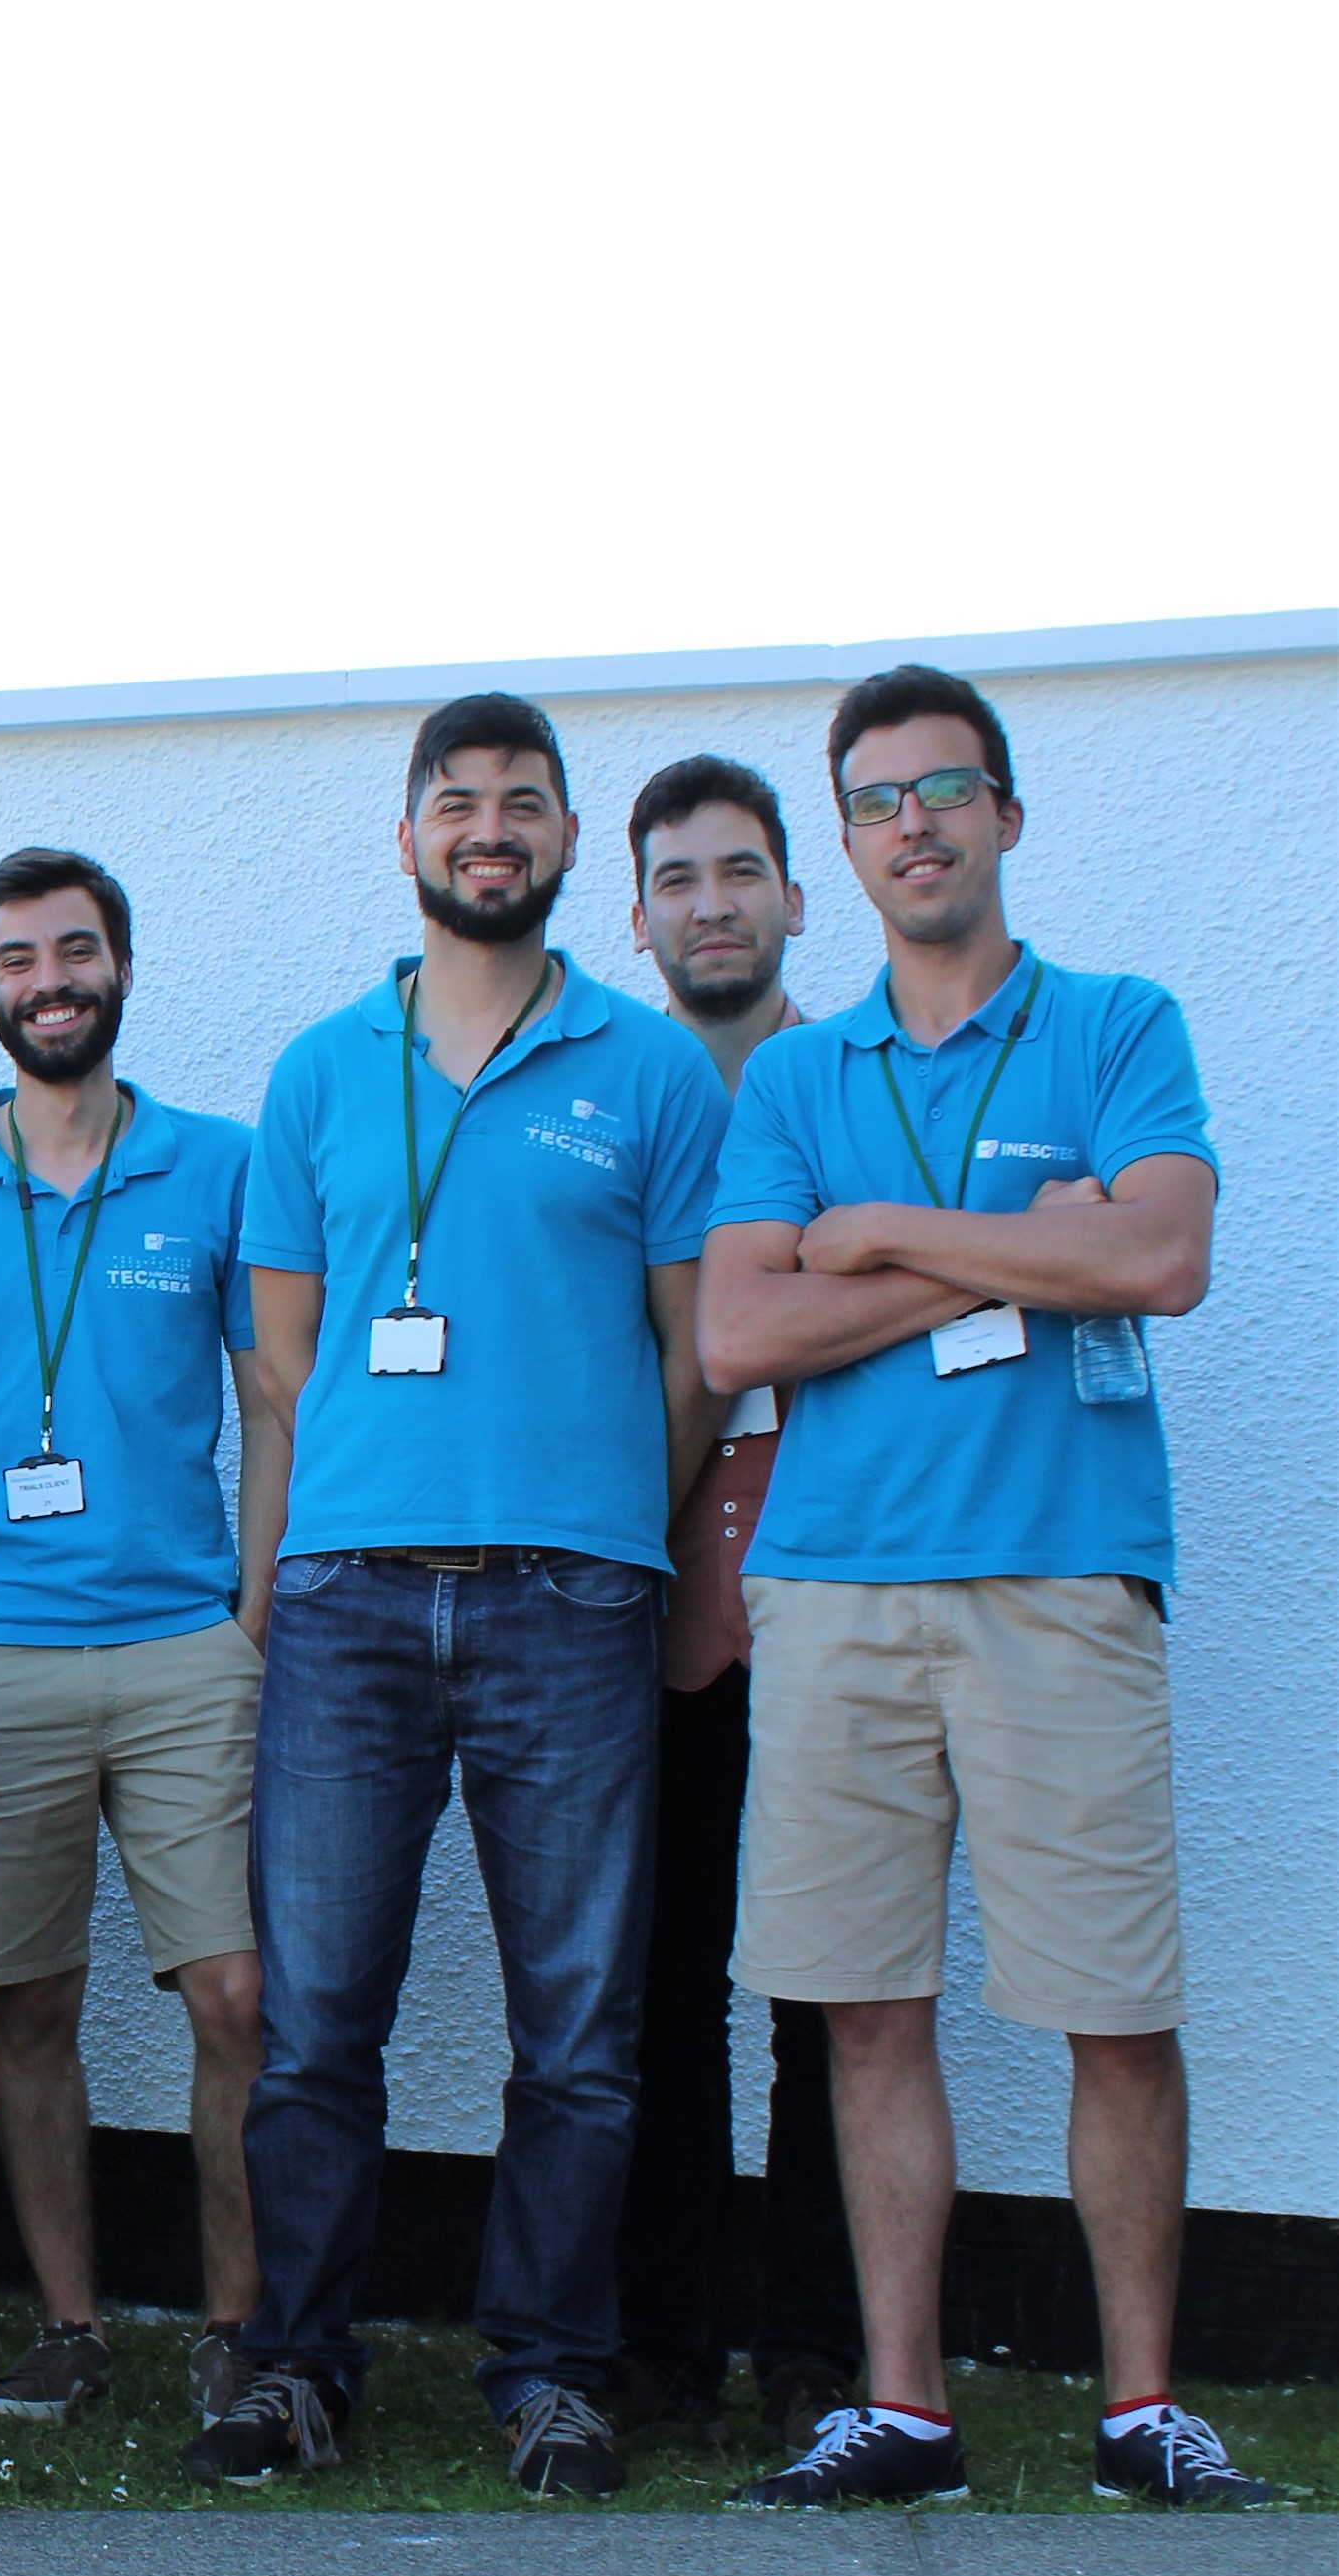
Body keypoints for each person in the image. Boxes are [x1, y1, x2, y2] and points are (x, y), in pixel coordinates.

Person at [706, 667, 1266, 2509]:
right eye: (877, 800)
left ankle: (1139, 2408)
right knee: (861, 2007)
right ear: (846, 845)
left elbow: (1162, 1257)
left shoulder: (1114, 1022)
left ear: (1004, 815)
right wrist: (1029, 1248)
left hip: (1059, 1579)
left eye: (944, 788)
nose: (914, 823)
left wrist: (871, 1233)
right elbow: (736, 1332)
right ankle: (905, 2410)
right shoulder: (795, 1074)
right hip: (833, 1594)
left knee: (1114, 2005)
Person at [193, 694, 727, 2499]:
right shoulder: (317, 1069)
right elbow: (282, 1359)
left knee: (575, 2031)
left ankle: (550, 2373)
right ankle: (292, 2365)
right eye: (455, 800)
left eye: (521, 801)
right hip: (346, 1598)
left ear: (567, 841)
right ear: (407, 838)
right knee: (312, 2024)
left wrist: (606, 1519)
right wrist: (319, 1542)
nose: (486, 827)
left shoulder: (647, 1072)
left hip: (570, 1603)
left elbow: (691, 1355)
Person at [0, 855, 277, 2433]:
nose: (50, 978)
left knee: (231, 1992)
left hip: (182, 1643)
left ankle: (233, 2325)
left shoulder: (216, 1163)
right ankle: (69, 2323)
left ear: (120, 965)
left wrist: (251, 1614)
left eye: (75, 949)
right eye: (18, 956)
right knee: (28, 2003)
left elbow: (269, 1399)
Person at [609, 756, 866, 2455]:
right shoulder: (609, 1097)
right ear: (635, 918)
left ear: (791, 894)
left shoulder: (854, 1087)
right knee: (656, 1982)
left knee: (832, 1986)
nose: (710, 905)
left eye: (738, 872)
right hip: (641, 1588)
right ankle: (658, 2343)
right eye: (677, 879)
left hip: (837, 1569)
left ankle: (815, 2346)